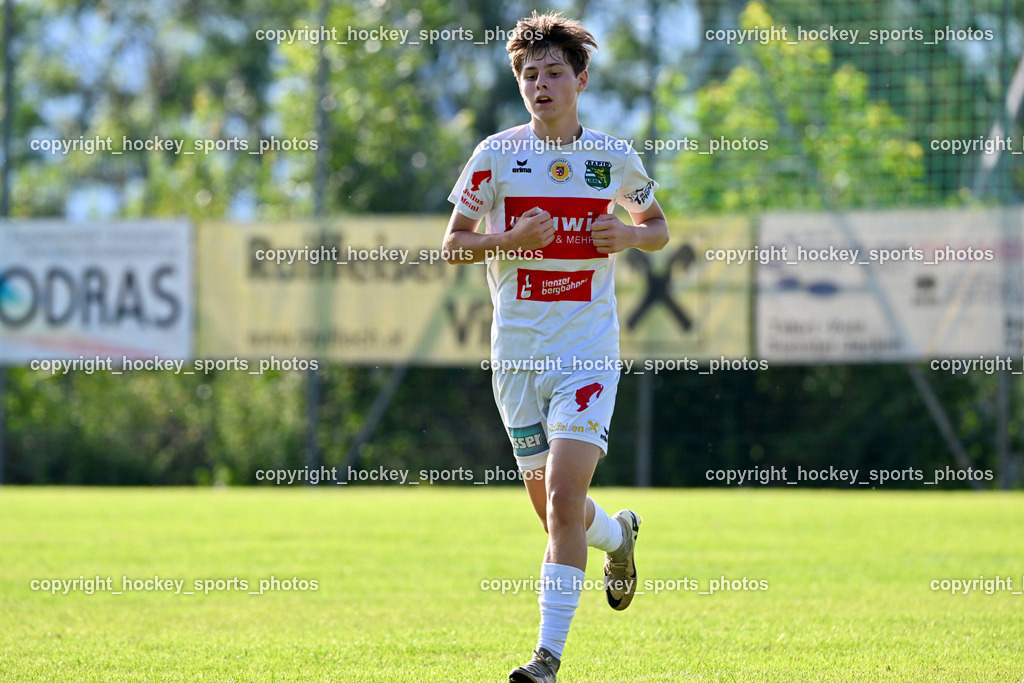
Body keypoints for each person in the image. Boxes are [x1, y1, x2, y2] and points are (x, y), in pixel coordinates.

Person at [443, 11, 668, 683]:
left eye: (553, 73)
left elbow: (655, 225)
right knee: (553, 513)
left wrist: (627, 236)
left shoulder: (610, 157)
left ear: (581, 79)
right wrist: (508, 240)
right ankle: (619, 536)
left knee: (565, 499)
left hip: (587, 349)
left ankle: (547, 658)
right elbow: (454, 244)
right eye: (528, 75)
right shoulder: (496, 156)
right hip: (516, 352)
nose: (540, 85)